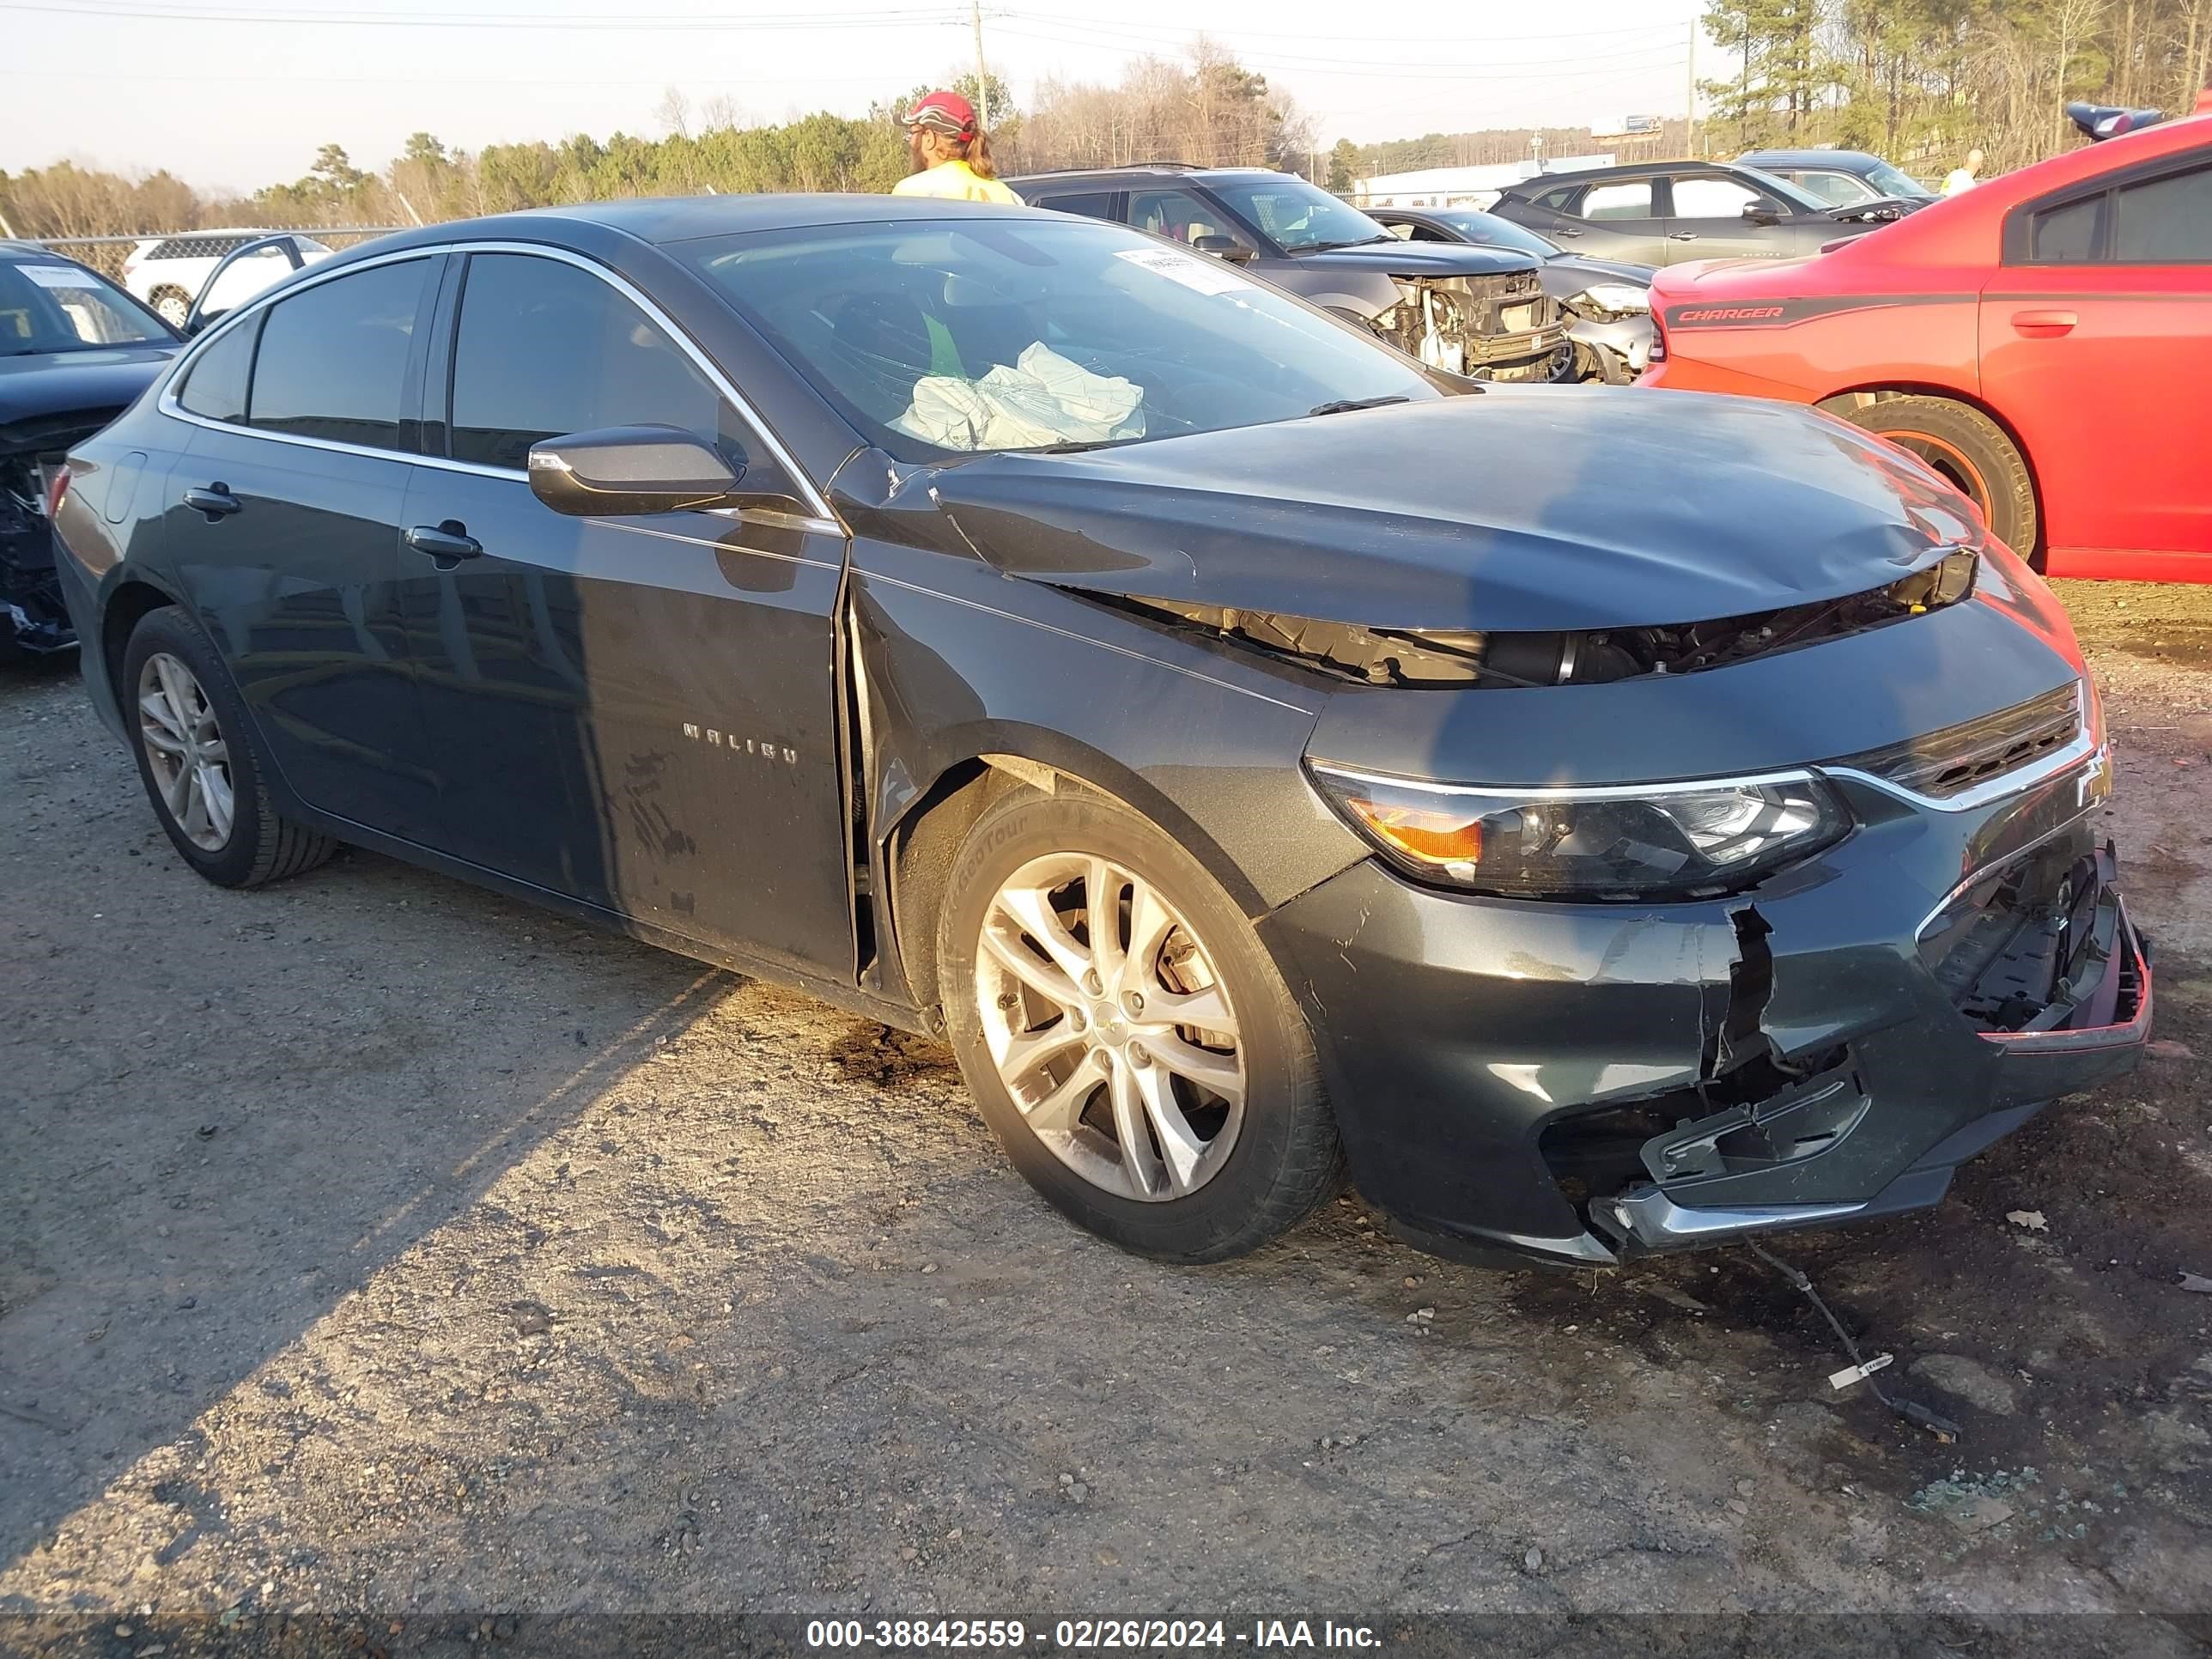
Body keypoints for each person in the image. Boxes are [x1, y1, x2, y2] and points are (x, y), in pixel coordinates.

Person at [892, 90, 1019, 204]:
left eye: (913, 133)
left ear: (930, 138)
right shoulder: (1010, 197)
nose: (911, 142)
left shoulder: (911, 193)